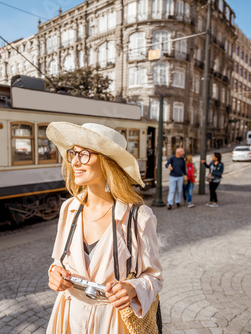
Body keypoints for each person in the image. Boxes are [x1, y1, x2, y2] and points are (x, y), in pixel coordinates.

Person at [46, 122, 163, 334]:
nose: (75, 162)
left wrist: (132, 288)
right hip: (70, 318)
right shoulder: (69, 208)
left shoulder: (138, 217)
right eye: (73, 153)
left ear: (107, 162)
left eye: (84, 154)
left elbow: (154, 278)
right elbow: (58, 262)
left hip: (114, 323)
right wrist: (55, 273)